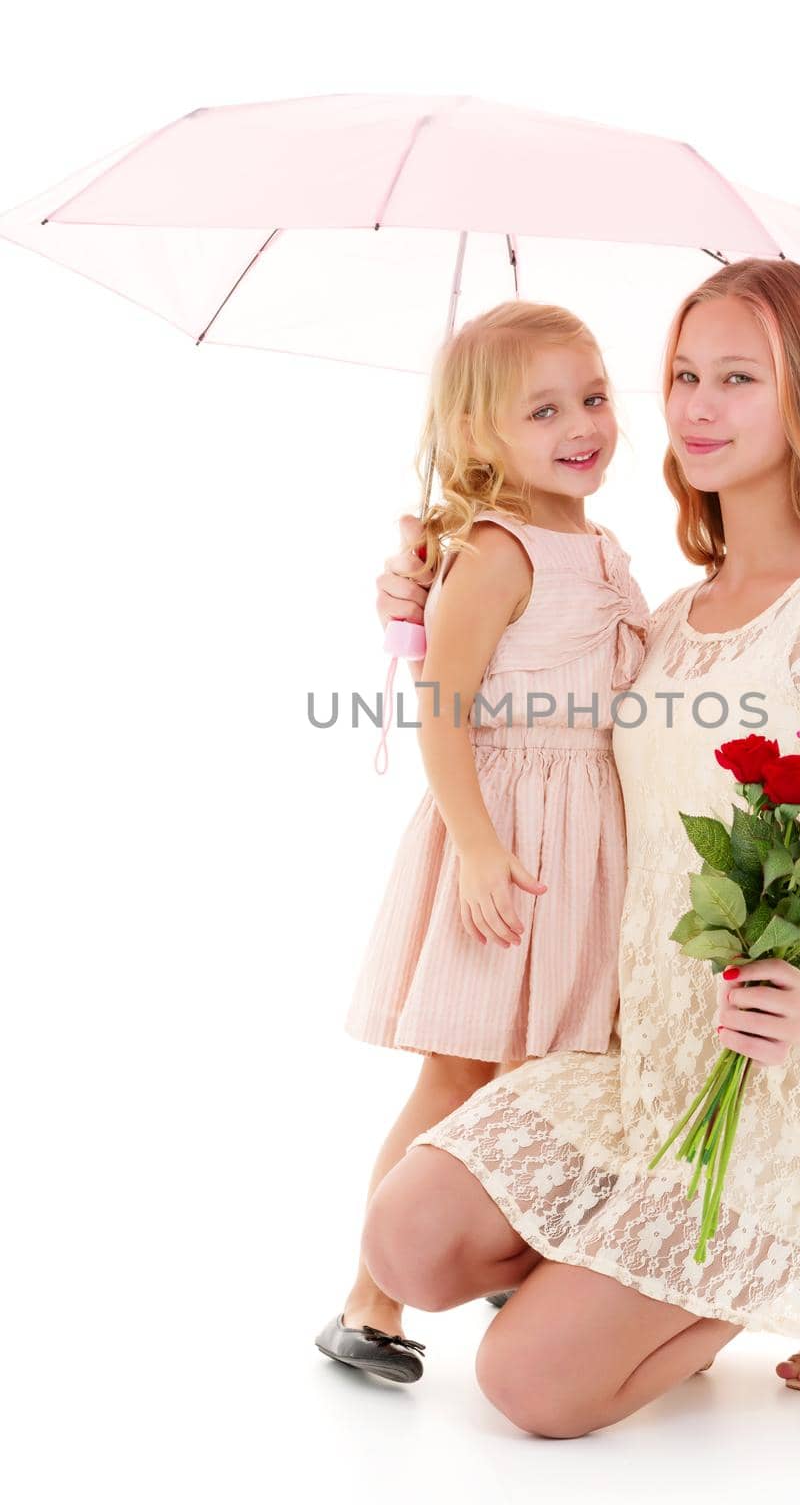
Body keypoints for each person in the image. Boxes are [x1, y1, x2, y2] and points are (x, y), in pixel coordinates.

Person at [360, 258, 800, 1432]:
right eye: (682, 374)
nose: (694, 405)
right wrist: (424, 595)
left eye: (737, 377)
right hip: (638, 1067)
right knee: (407, 1239)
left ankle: (798, 1260)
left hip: (768, 1083)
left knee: (527, 1386)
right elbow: (525, 676)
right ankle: (630, 1275)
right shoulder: (666, 619)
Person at [315, 302, 650, 1383]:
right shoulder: (497, 554)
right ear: (476, 438)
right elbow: (441, 705)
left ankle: (516, 1250)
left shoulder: (598, 543)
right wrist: (474, 844)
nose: (580, 423)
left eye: (592, 396)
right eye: (542, 408)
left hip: (584, 832)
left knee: (541, 1070)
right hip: (506, 826)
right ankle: (372, 1296)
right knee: (459, 1070)